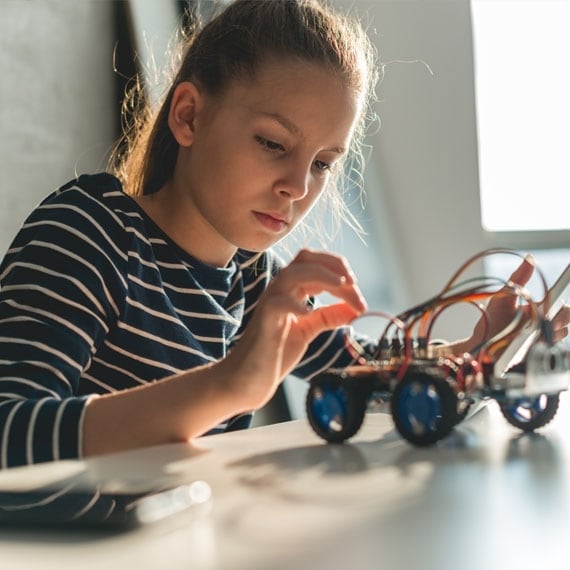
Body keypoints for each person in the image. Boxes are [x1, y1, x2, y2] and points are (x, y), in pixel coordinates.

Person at [0, 0, 567, 470]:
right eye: (273, 143)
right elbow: (8, 433)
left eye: (323, 163)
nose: (297, 186)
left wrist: (475, 353)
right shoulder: (88, 232)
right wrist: (228, 385)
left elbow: (363, 387)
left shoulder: (251, 277)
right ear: (189, 116)